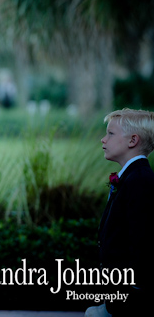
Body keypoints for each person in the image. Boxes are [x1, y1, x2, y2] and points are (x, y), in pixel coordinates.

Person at [85, 108, 154, 317]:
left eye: (110, 134)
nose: (103, 140)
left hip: (128, 301)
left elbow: (142, 244)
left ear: (133, 140)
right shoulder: (131, 178)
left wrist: (130, 294)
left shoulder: (140, 181)